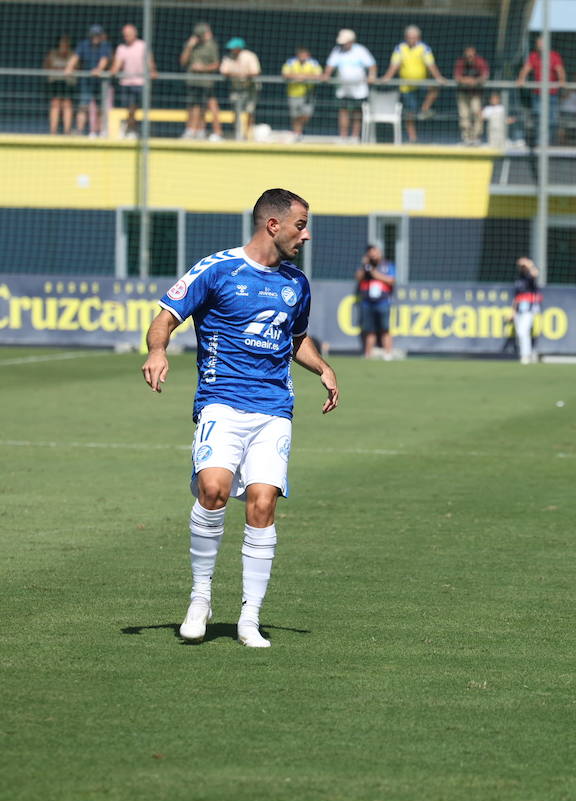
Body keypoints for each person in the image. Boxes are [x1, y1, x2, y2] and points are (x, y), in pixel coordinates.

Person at [140, 188, 338, 649]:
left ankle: (250, 617)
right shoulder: (217, 269)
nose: (305, 235)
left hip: (273, 409)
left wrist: (323, 367)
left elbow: (296, 338)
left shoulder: (296, 284)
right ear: (273, 225)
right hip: (221, 402)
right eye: (300, 225)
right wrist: (156, 350)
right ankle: (200, 597)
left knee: (263, 502)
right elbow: (165, 317)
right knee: (212, 491)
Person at [380, 26, 443, 143]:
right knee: (410, 113)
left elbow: (431, 65)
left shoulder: (424, 48)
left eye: (414, 38)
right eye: (409, 38)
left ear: (418, 38)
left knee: (434, 89)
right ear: (406, 38)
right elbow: (395, 65)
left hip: (422, 83)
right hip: (406, 86)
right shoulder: (400, 48)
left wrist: (438, 78)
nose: (411, 40)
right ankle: (412, 138)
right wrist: (387, 77)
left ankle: (425, 109)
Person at [323, 29, 376, 141]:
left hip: (359, 90)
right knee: (343, 111)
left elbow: (372, 65)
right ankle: (343, 137)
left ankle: (354, 137)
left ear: (351, 41)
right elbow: (330, 66)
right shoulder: (337, 51)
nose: (343, 45)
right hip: (343, 89)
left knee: (357, 112)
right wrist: (326, 75)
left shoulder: (361, 50)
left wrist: (372, 76)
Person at [515, 37, 566, 145]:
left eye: (542, 43)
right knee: (538, 118)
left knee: (552, 120)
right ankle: (539, 142)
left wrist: (562, 81)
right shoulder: (533, 56)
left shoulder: (554, 56)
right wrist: (521, 79)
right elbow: (526, 69)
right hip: (538, 94)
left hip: (551, 94)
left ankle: (548, 142)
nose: (540, 46)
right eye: (538, 44)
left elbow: (559, 70)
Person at [110, 23, 156, 138]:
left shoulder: (142, 46)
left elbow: (149, 62)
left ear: (135, 34)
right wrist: (112, 71)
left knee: (138, 108)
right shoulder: (121, 48)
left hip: (141, 82)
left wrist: (153, 71)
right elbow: (117, 65)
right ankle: (130, 128)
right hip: (126, 83)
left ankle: (134, 129)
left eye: (129, 35)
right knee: (129, 108)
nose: (127, 37)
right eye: (125, 35)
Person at [180, 23, 222, 141]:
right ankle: (192, 131)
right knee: (193, 107)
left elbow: (216, 64)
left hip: (206, 83)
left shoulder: (211, 46)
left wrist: (202, 68)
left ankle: (212, 132)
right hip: (192, 82)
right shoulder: (191, 45)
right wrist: (189, 47)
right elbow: (183, 62)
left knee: (208, 106)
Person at [68, 25, 112, 137]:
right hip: (87, 82)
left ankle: (102, 131)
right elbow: (75, 57)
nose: (95, 37)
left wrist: (99, 69)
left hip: (101, 82)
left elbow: (104, 60)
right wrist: (69, 67)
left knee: (101, 108)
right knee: (83, 106)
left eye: (97, 35)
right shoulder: (84, 44)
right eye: (93, 35)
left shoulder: (105, 45)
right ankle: (79, 131)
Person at [355, 245, 396, 359]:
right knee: (369, 329)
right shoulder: (365, 267)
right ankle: (368, 354)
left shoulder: (387, 265)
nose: (373, 255)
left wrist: (374, 273)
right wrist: (365, 265)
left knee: (385, 328)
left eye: (375, 252)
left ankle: (388, 353)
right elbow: (358, 277)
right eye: (371, 253)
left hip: (383, 302)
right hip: (367, 302)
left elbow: (391, 280)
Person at [220, 38, 261, 137]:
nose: (231, 50)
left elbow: (255, 72)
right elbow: (223, 71)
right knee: (236, 112)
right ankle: (238, 134)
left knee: (250, 111)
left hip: (251, 88)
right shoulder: (228, 57)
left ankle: (248, 135)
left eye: (233, 48)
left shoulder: (250, 56)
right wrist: (240, 74)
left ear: (239, 48)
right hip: (236, 88)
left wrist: (238, 74)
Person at [281, 47, 322, 140]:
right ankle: (297, 134)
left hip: (308, 94)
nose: (303, 57)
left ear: (308, 56)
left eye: (305, 55)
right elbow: (285, 74)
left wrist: (304, 77)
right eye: (301, 55)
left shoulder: (313, 63)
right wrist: (298, 76)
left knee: (306, 115)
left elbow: (319, 75)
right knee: (295, 116)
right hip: (294, 93)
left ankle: (299, 130)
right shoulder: (291, 62)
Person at [454, 46, 489, 145]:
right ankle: (466, 136)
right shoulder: (460, 62)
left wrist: (475, 81)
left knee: (476, 112)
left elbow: (485, 75)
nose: (469, 58)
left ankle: (476, 136)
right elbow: (457, 77)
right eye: (467, 56)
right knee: (464, 114)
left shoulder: (480, 61)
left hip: (476, 93)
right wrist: (467, 80)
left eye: (471, 56)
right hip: (463, 92)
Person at [43, 35, 77, 135]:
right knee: (55, 104)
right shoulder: (52, 53)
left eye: (66, 43)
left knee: (67, 104)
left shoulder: (73, 54)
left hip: (68, 82)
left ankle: (67, 131)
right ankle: (53, 131)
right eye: (63, 43)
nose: (64, 45)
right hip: (55, 82)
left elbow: (76, 67)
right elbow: (47, 66)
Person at [512, 258, 542, 364]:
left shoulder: (530, 278)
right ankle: (526, 354)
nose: (523, 268)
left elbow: (535, 273)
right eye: (521, 267)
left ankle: (526, 355)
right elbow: (516, 298)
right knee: (520, 333)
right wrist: (513, 311)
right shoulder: (519, 279)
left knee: (522, 332)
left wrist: (530, 264)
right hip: (519, 310)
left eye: (524, 267)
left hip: (529, 309)